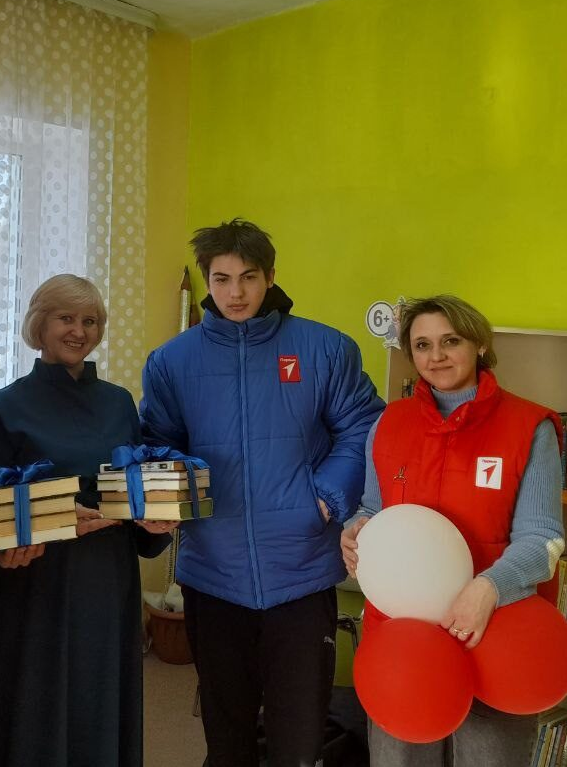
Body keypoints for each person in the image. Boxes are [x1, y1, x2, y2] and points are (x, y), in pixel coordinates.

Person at [140, 219, 385, 767]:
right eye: (222, 279)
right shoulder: (172, 362)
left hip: (301, 572)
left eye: (248, 277)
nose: (235, 293)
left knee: (298, 741)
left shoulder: (326, 349)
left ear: (270, 277)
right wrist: (165, 500)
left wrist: (324, 497)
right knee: (226, 736)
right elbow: (157, 444)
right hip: (213, 574)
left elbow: (365, 428)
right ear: (208, 280)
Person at [0, 274, 176, 767]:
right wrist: (27, 528)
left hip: (107, 580)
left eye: (90, 321)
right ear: (39, 324)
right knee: (34, 703)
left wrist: (154, 523)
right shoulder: (7, 405)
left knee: (96, 698)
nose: (78, 331)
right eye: (65, 318)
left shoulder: (119, 402)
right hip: (33, 582)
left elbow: (132, 489)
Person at [340, 294, 564, 766]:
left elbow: (542, 539)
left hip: (495, 633)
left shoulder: (529, 426)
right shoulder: (388, 423)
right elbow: (372, 509)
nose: (436, 356)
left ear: (479, 344)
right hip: (403, 638)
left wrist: (488, 587)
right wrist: (356, 531)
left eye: (451, 341)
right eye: (422, 345)